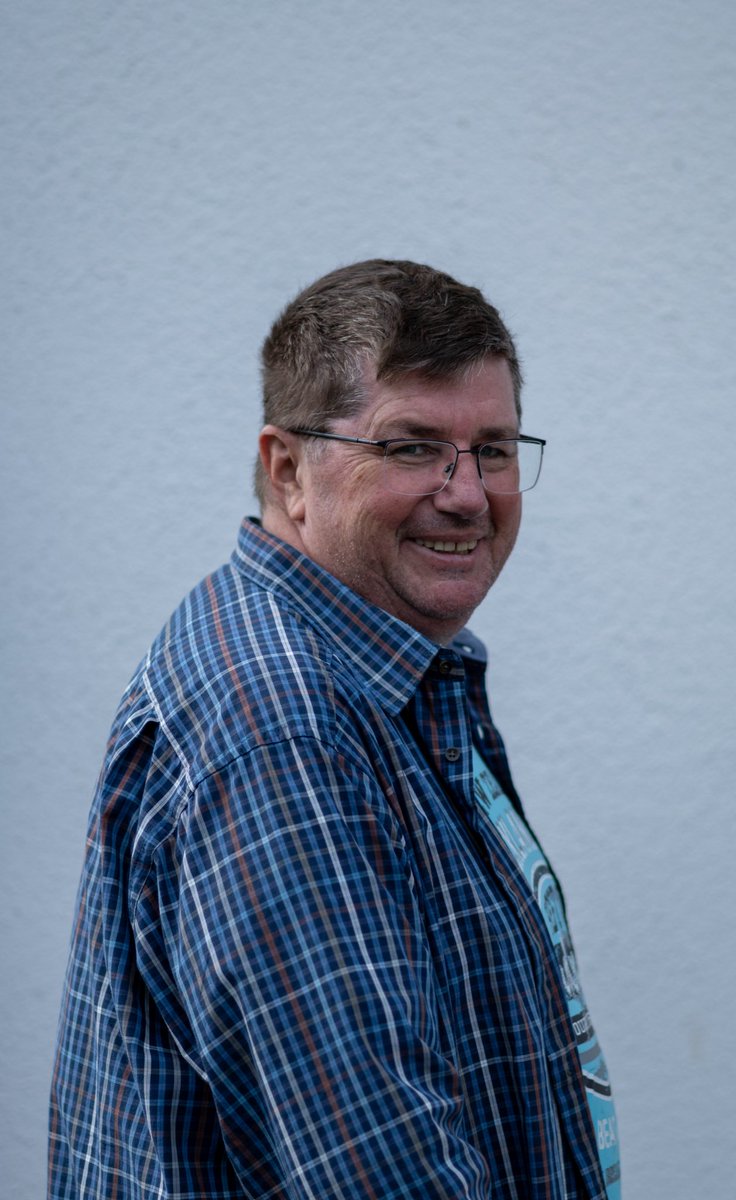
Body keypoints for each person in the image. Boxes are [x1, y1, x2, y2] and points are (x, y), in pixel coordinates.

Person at [49, 259, 620, 1199]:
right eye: (411, 446)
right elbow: (380, 1174)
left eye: (496, 448)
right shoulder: (278, 729)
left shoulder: (387, 672)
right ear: (288, 468)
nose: (468, 493)